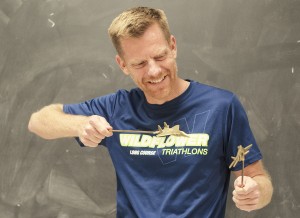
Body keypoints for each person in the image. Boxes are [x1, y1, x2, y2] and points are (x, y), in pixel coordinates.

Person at [28, 6, 273, 218]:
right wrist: (79, 125)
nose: (154, 71)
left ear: (173, 46)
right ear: (122, 65)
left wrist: (255, 193)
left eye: (159, 56)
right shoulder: (116, 108)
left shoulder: (222, 106)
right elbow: (39, 121)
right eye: (140, 64)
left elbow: (259, 179)